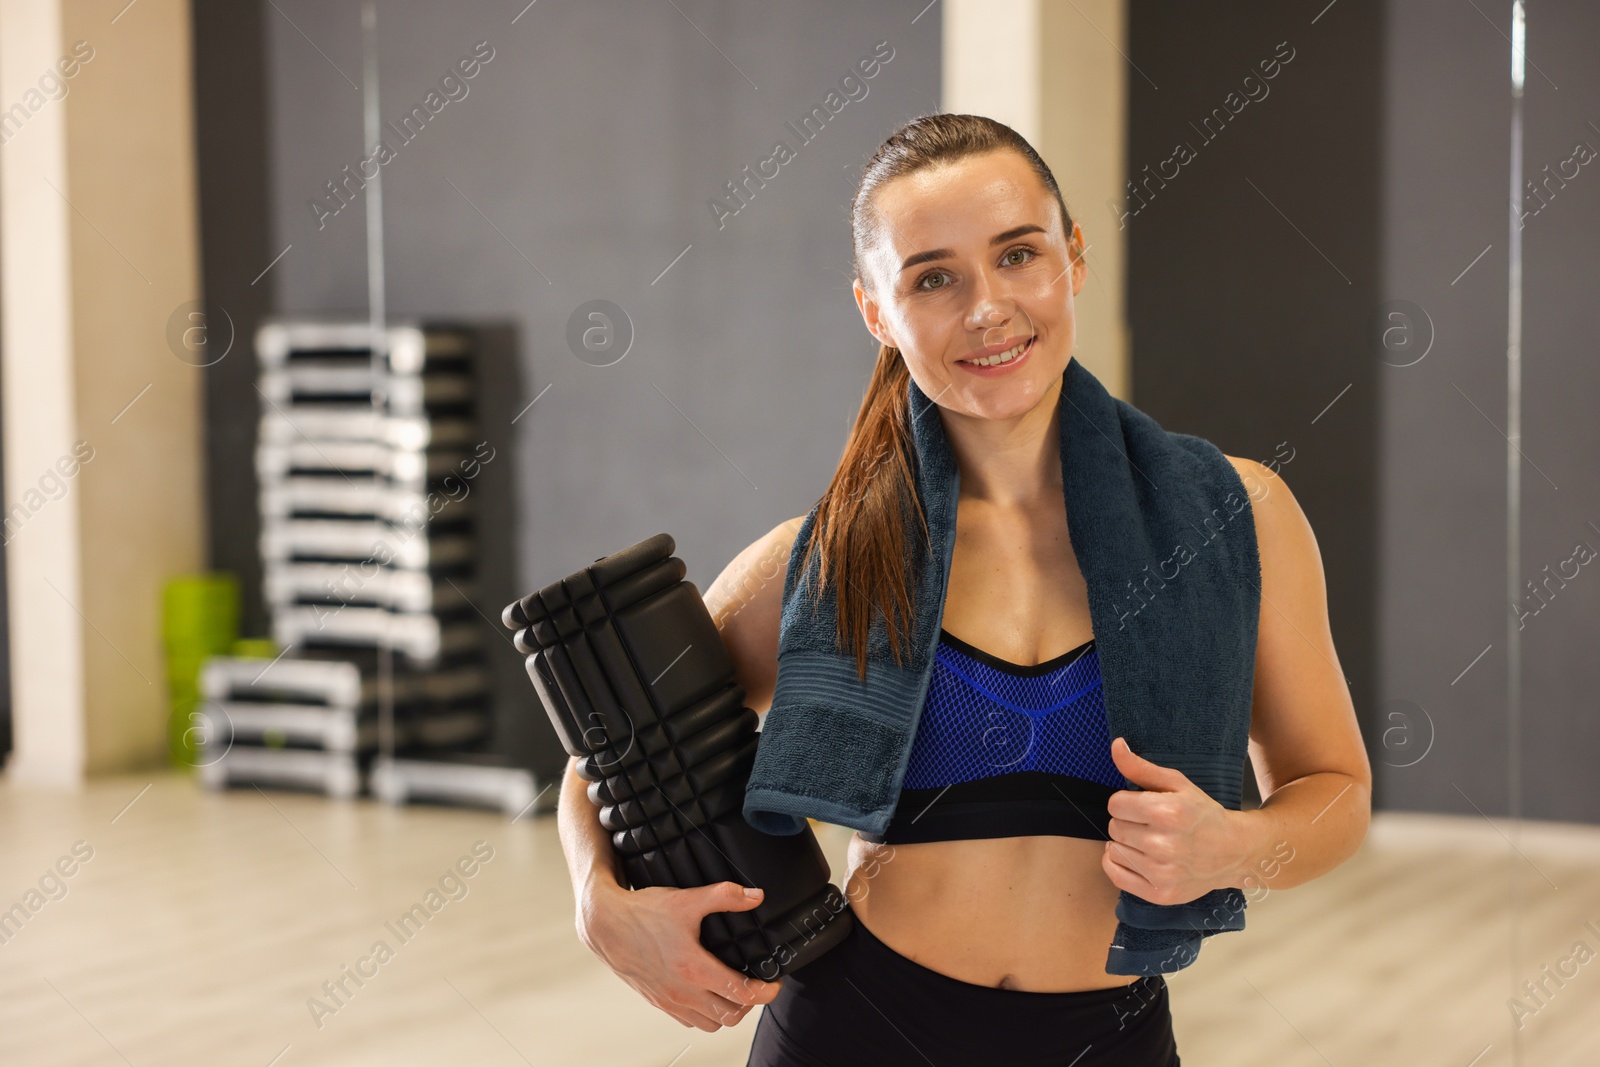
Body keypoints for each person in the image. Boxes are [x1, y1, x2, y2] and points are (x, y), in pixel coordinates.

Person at [555, 113, 1372, 1066]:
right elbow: (610, 747)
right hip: (858, 1027)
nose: (987, 308)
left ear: (1072, 256)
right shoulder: (821, 558)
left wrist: (1233, 848)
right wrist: (593, 900)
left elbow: (1337, 791)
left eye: (1018, 254)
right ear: (876, 312)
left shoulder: (1238, 515)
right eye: (933, 277)